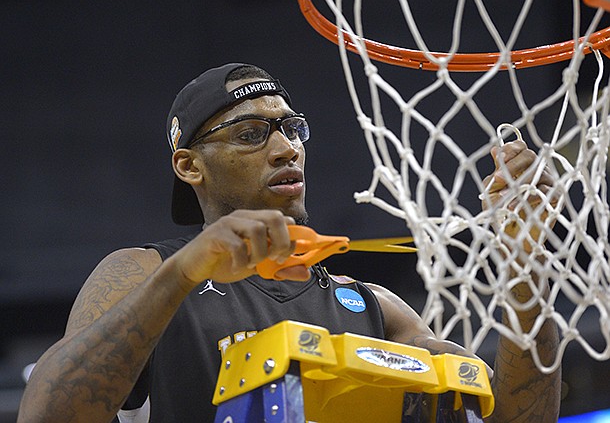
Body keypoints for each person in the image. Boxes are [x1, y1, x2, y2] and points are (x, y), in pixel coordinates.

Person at [17, 63, 560, 422]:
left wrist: (527, 267)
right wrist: (181, 273)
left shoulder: (374, 307)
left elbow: (515, 418)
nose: (285, 149)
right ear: (189, 166)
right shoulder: (144, 272)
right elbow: (46, 415)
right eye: (252, 135)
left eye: (292, 128)